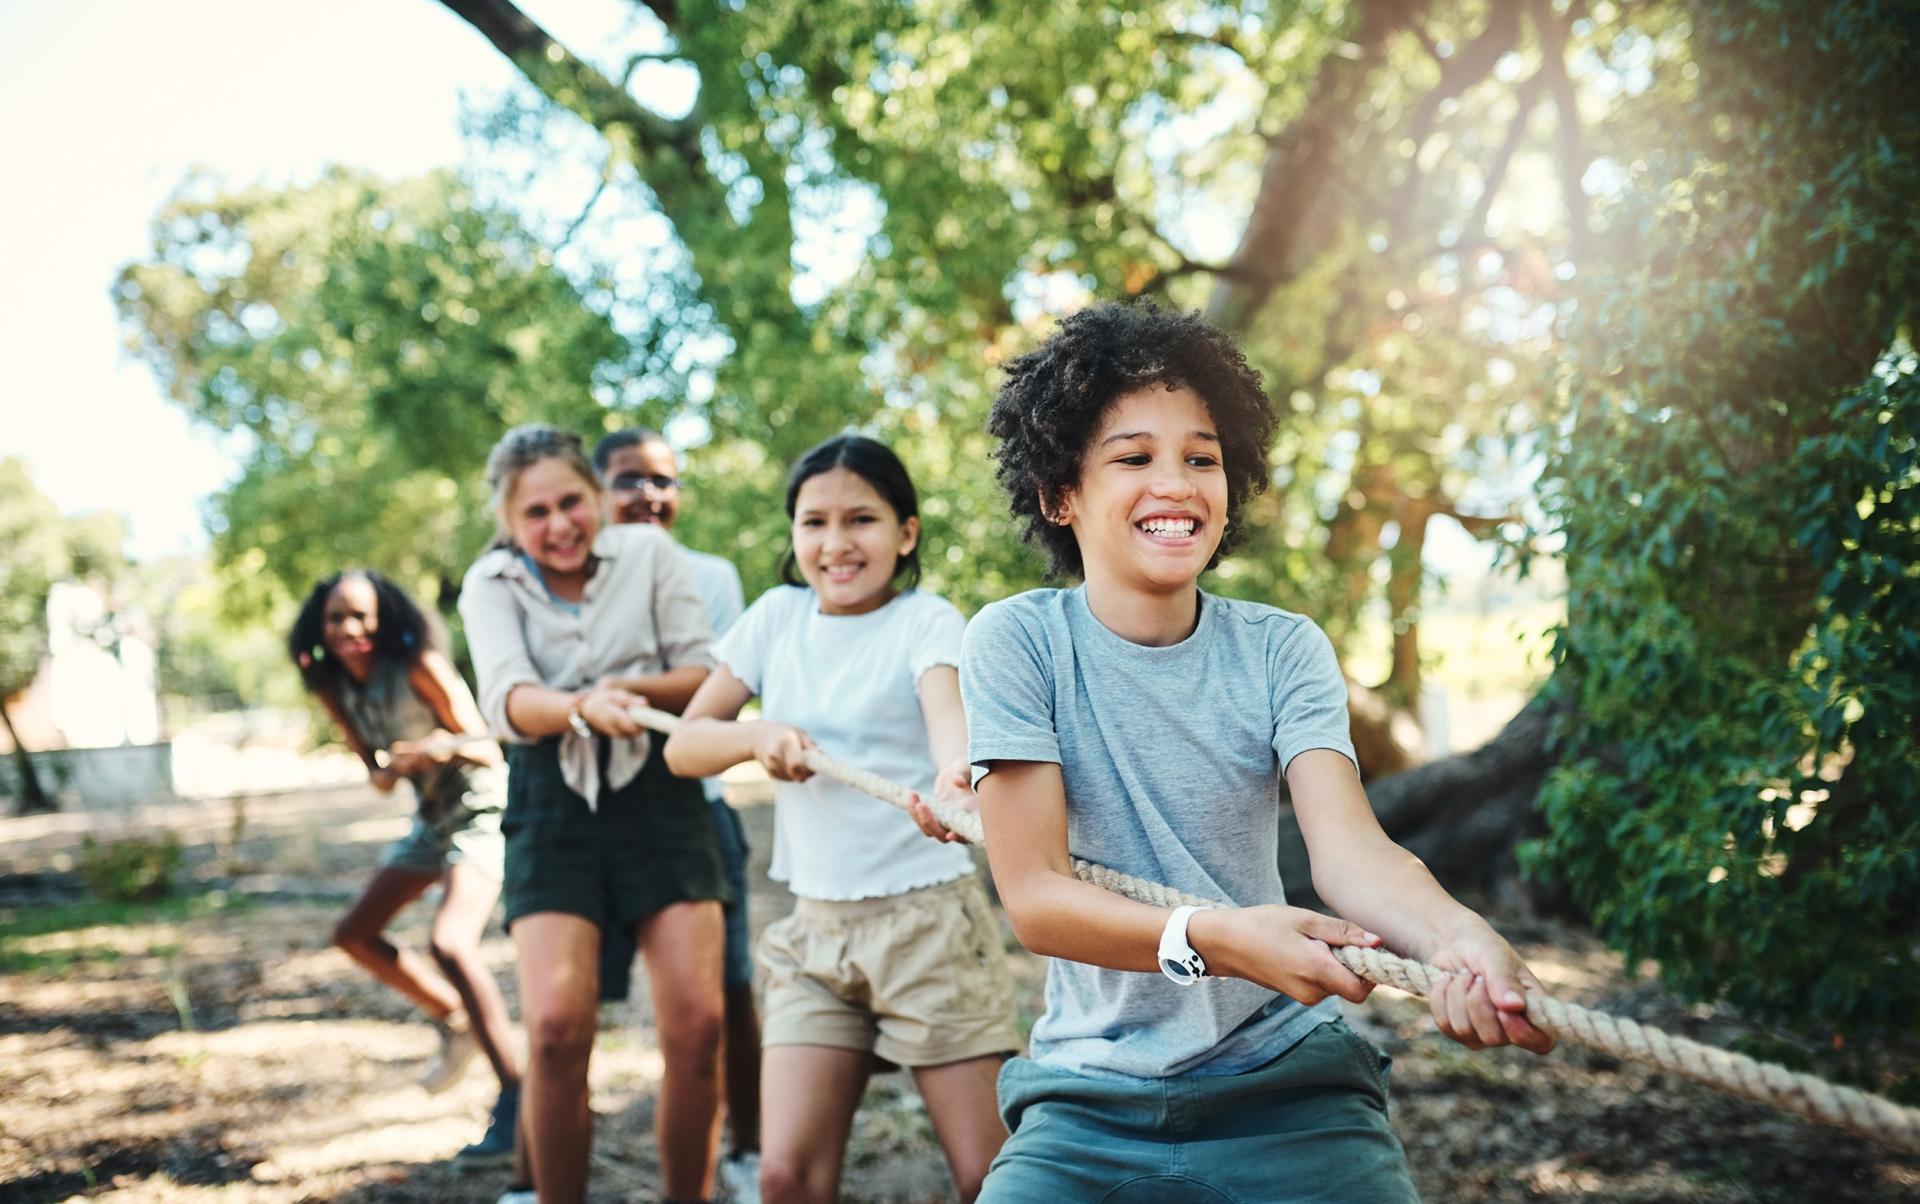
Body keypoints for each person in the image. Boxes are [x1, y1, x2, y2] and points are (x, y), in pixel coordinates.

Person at [960, 301, 1556, 1202]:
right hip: (1088, 1103)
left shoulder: (1282, 650)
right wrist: (1219, 940)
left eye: (1202, 457)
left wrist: (1456, 936)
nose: (1179, 483)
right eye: (1134, 457)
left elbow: (1353, 855)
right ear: (1060, 493)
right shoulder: (1018, 644)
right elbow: (1037, 899)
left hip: (1288, 1090)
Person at [665, 434, 1018, 1204]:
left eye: (860, 519)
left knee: (986, 1178)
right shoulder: (774, 619)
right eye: (813, 522)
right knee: (787, 1178)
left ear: (906, 533)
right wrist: (756, 737)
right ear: (793, 535)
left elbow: (945, 717)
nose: (835, 543)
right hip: (814, 937)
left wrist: (954, 781)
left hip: (928, 928)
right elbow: (687, 745)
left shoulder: (925, 620)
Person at [459, 424, 727, 1204]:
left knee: (698, 1027)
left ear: (596, 497)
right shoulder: (491, 584)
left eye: (570, 501)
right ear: (509, 523)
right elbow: (507, 700)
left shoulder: (647, 555)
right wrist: (580, 707)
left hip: (660, 793)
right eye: (535, 512)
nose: (559, 524)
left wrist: (630, 697)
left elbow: (703, 670)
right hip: (551, 800)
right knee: (554, 1031)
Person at [287, 570, 521, 1167]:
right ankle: (455, 1018)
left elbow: (489, 744)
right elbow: (376, 773)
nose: (351, 630)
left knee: (450, 942)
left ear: (384, 620)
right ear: (320, 626)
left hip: (481, 806)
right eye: (338, 618)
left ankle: (519, 1098)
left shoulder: (419, 665)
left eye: (362, 617)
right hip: (430, 817)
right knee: (354, 934)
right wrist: (387, 770)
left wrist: (434, 748)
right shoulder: (333, 686)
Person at [594, 427, 764, 1203]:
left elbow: (710, 692)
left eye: (663, 480)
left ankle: (748, 1146)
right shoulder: (575, 572)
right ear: (598, 491)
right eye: (629, 479)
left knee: (727, 993)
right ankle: (531, 1155)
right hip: (595, 819)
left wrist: (613, 687)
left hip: (697, 813)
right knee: (566, 1012)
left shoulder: (710, 575)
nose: (648, 495)